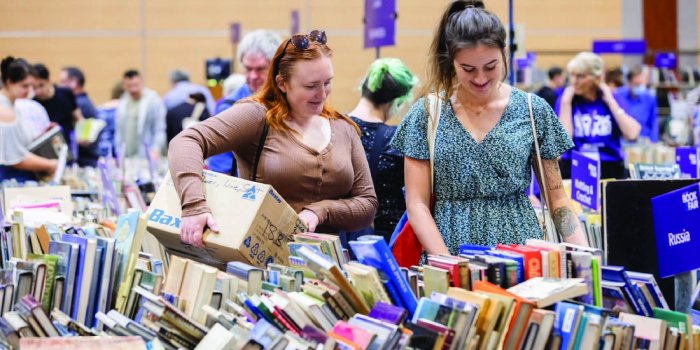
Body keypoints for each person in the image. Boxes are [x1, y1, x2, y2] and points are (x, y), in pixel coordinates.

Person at [391, 1, 589, 257]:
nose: (481, 78)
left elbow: (557, 198)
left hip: (519, 252)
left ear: (504, 54)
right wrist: (447, 263)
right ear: (452, 61)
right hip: (448, 249)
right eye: (468, 69)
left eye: (491, 66)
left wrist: (586, 259)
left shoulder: (532, 110)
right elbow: (417, 204)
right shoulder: (427, 114)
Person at [169, 30, 378, 247]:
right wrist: (194, 206)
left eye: (327, 83)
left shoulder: (344, 127)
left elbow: (367, 205)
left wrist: (321, 211)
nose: (323, 94)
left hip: (329, 269)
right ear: (282, 83)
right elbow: (186, 141)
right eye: (311, 86)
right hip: (263, 266)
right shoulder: (257, 116)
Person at [347, 58, 418, 243]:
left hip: (344, 238)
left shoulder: (334, 128)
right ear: (397, 102)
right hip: (386, 244)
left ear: (365, 87)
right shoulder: (395, 140)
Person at [556, 52, 641, 179]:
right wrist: (565, 104)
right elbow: (562, 144)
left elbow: (632, 133)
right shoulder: (566, 100)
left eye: (580, 76)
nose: (574, 81)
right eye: (572, 75)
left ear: (596, 78)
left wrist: (611, 102)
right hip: (575, 166)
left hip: (609, 166)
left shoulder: (612, 98)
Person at [208, 29, 282, 175]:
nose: (253, 76)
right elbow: (219, 169)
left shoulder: (291, 101)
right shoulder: (229, 107)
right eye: (248, 69)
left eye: (260, 69)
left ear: (276, 67)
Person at [0, 56, 57, 181]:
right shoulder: (5, 111)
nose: (30, 91)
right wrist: (50, 165)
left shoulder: (15, 105)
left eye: (32, 86)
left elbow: (18, 143)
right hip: (8, 178)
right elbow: (15, 158)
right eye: (24, 86)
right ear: (9, 82)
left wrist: (43, 136)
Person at [115, 69, 167, 159]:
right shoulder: (123, 102)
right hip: (126, 157)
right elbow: (119, 131)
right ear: (124, 85)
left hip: (147, 156)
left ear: (141, 83)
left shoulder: (153, 101)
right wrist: (118, 151)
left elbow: (160, 129)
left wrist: (156, 149)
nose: (133, 89)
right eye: (129, 86)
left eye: (135, 85)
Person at [32, 63, 84, 149]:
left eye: (41, 85)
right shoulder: (33, 103)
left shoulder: (66, 93)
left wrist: (82, 135)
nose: (38, 91)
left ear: (48, 80)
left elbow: (79, 118)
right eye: (34, 88)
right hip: (48, 148)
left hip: (70, 145)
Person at [59, 66, 100, 166]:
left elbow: (84, 139)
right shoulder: (84, 101)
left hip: (84, 161)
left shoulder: (80, 104)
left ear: (74, 82)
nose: (61, 86)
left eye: (63, 81)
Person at [613, 66, 658, 143]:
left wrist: (654, 142)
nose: (640, 87)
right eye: (636, 84)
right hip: (623, 140)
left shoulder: (650, 97)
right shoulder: (617, 95)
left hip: (643, 140)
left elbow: (653, 121)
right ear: (629, 83)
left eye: (641, 84)